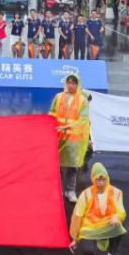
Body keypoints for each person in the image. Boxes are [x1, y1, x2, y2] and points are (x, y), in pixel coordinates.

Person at [68, 162, 126, 255]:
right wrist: (75, 238)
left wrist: (116, 216)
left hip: (107, 223)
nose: (101, 183)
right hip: (90, 226)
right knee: (87, 250)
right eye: (98, 180)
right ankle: (98, 240)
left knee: (118, 227)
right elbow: (77, 216)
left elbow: (121, 211)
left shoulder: (116, 193)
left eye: (103, 179)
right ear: (93, 179)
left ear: (107, 178)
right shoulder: (86, 194)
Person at [50, 74, 90, 202]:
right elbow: (52, 112)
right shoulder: (58, 97)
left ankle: (70, 191)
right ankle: (59, 190)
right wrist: (49, 124)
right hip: (59, 136)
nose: (71, 85)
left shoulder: (82, 100)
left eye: (74, 83)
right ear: (66, 83)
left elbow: (83, 119)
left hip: (74, 137)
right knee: (59, 165)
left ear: (78, 84)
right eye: (69, 83)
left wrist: (67, 126)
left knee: (73, 165)